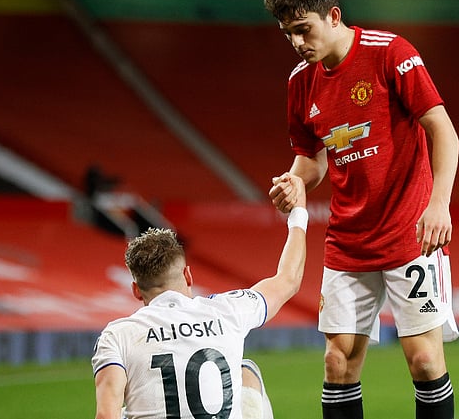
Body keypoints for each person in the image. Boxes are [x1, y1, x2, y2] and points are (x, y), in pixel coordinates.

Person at [264, 0, 459, 418]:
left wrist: (439, 203)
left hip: (410, 235)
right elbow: (311, 160)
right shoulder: (301, 82)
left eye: (303, 29)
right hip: (348, 242)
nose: (297, 42)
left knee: (424, 361)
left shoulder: (390, 53)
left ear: (333, 16)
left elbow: (443, 130)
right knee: (337, 364)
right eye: (288, 33)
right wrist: (295, 182)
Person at [91, 173, 308, 419]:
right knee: (246, 372)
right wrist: (298, 211)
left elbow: (105, 415)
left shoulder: (117, 335)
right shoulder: (228, 310)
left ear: (136, 290)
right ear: (188, 275)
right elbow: (288, 279)